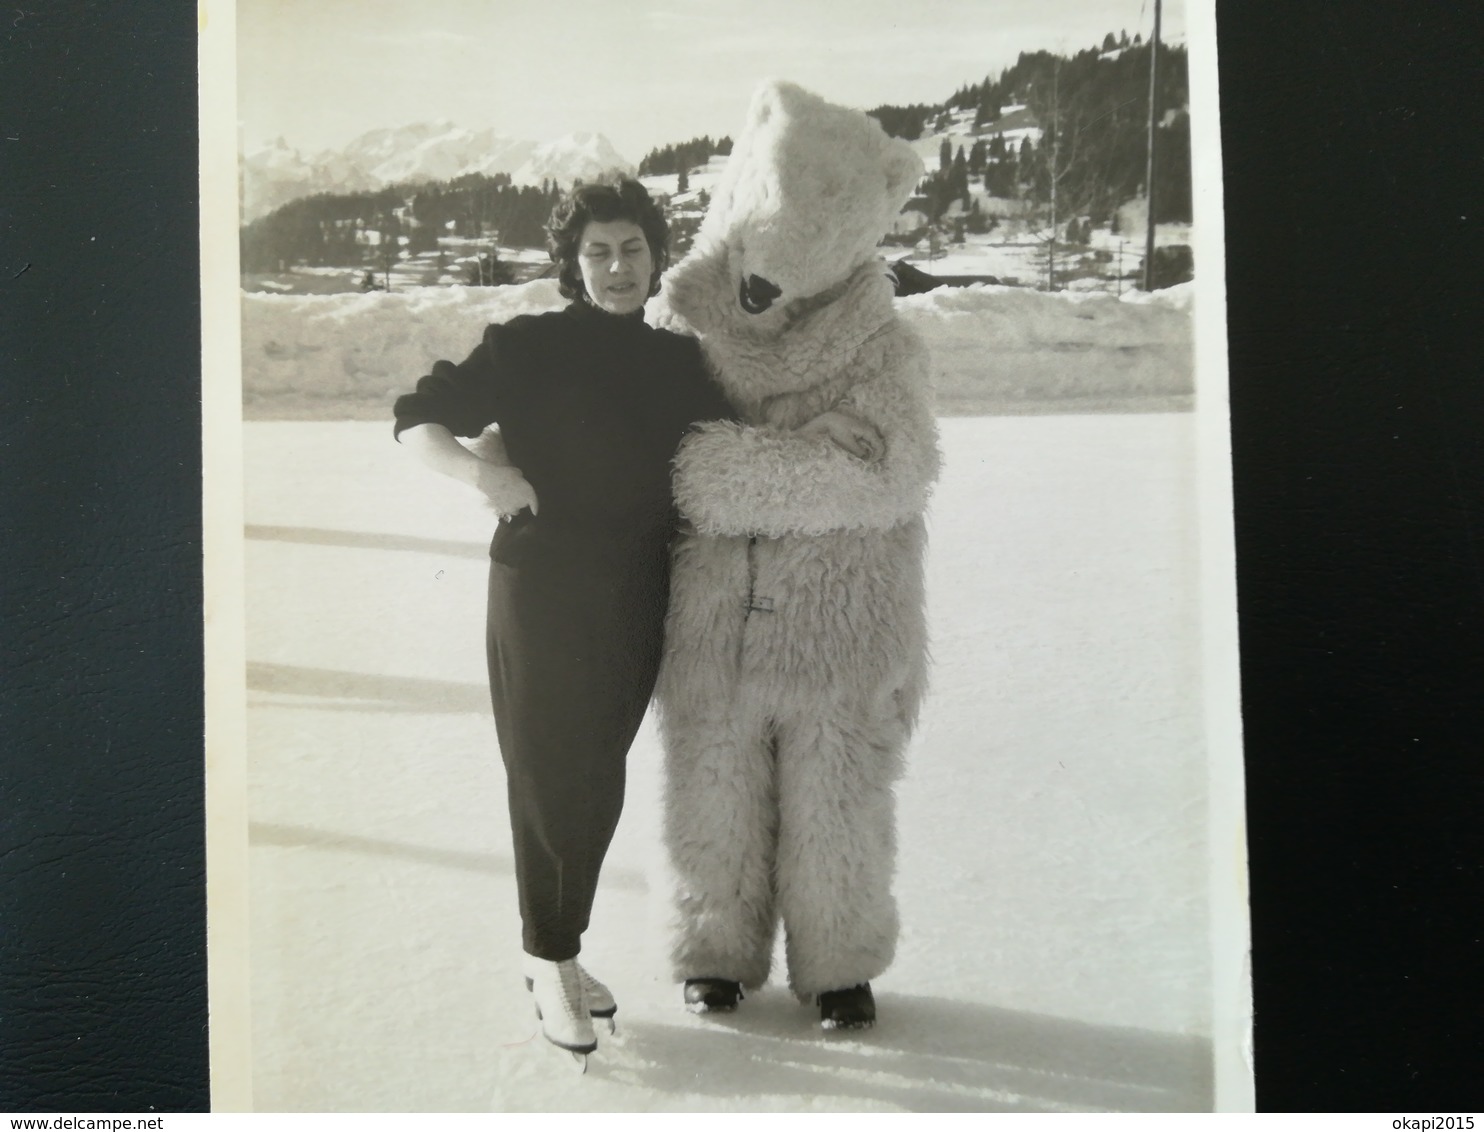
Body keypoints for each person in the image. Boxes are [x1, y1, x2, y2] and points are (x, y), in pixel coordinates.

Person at [391, 178, 881, 1063]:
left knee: (596, 776)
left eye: (632, 250)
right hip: (541, 588)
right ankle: (547, 961)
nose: (617, 268)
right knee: (546, 775)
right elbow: (414, 419)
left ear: (656, 257)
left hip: (637, 594)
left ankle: (560, 949)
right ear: (574, 266)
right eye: (598, 252)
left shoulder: (675, 365)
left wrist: (826, 425)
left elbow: (744, 435)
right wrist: (483, 476)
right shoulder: (526, 345)